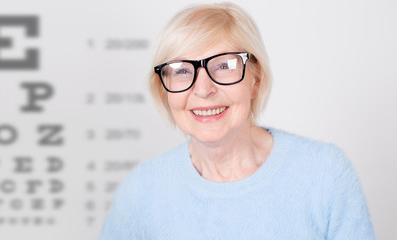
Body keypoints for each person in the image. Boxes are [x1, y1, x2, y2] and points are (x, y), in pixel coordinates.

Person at [99, 2, 375, 239]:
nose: (203, 89)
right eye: (182, 71)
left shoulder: (325, 174)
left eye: (224, 66)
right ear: (164, 90)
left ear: (255, 79)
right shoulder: (141, 191)